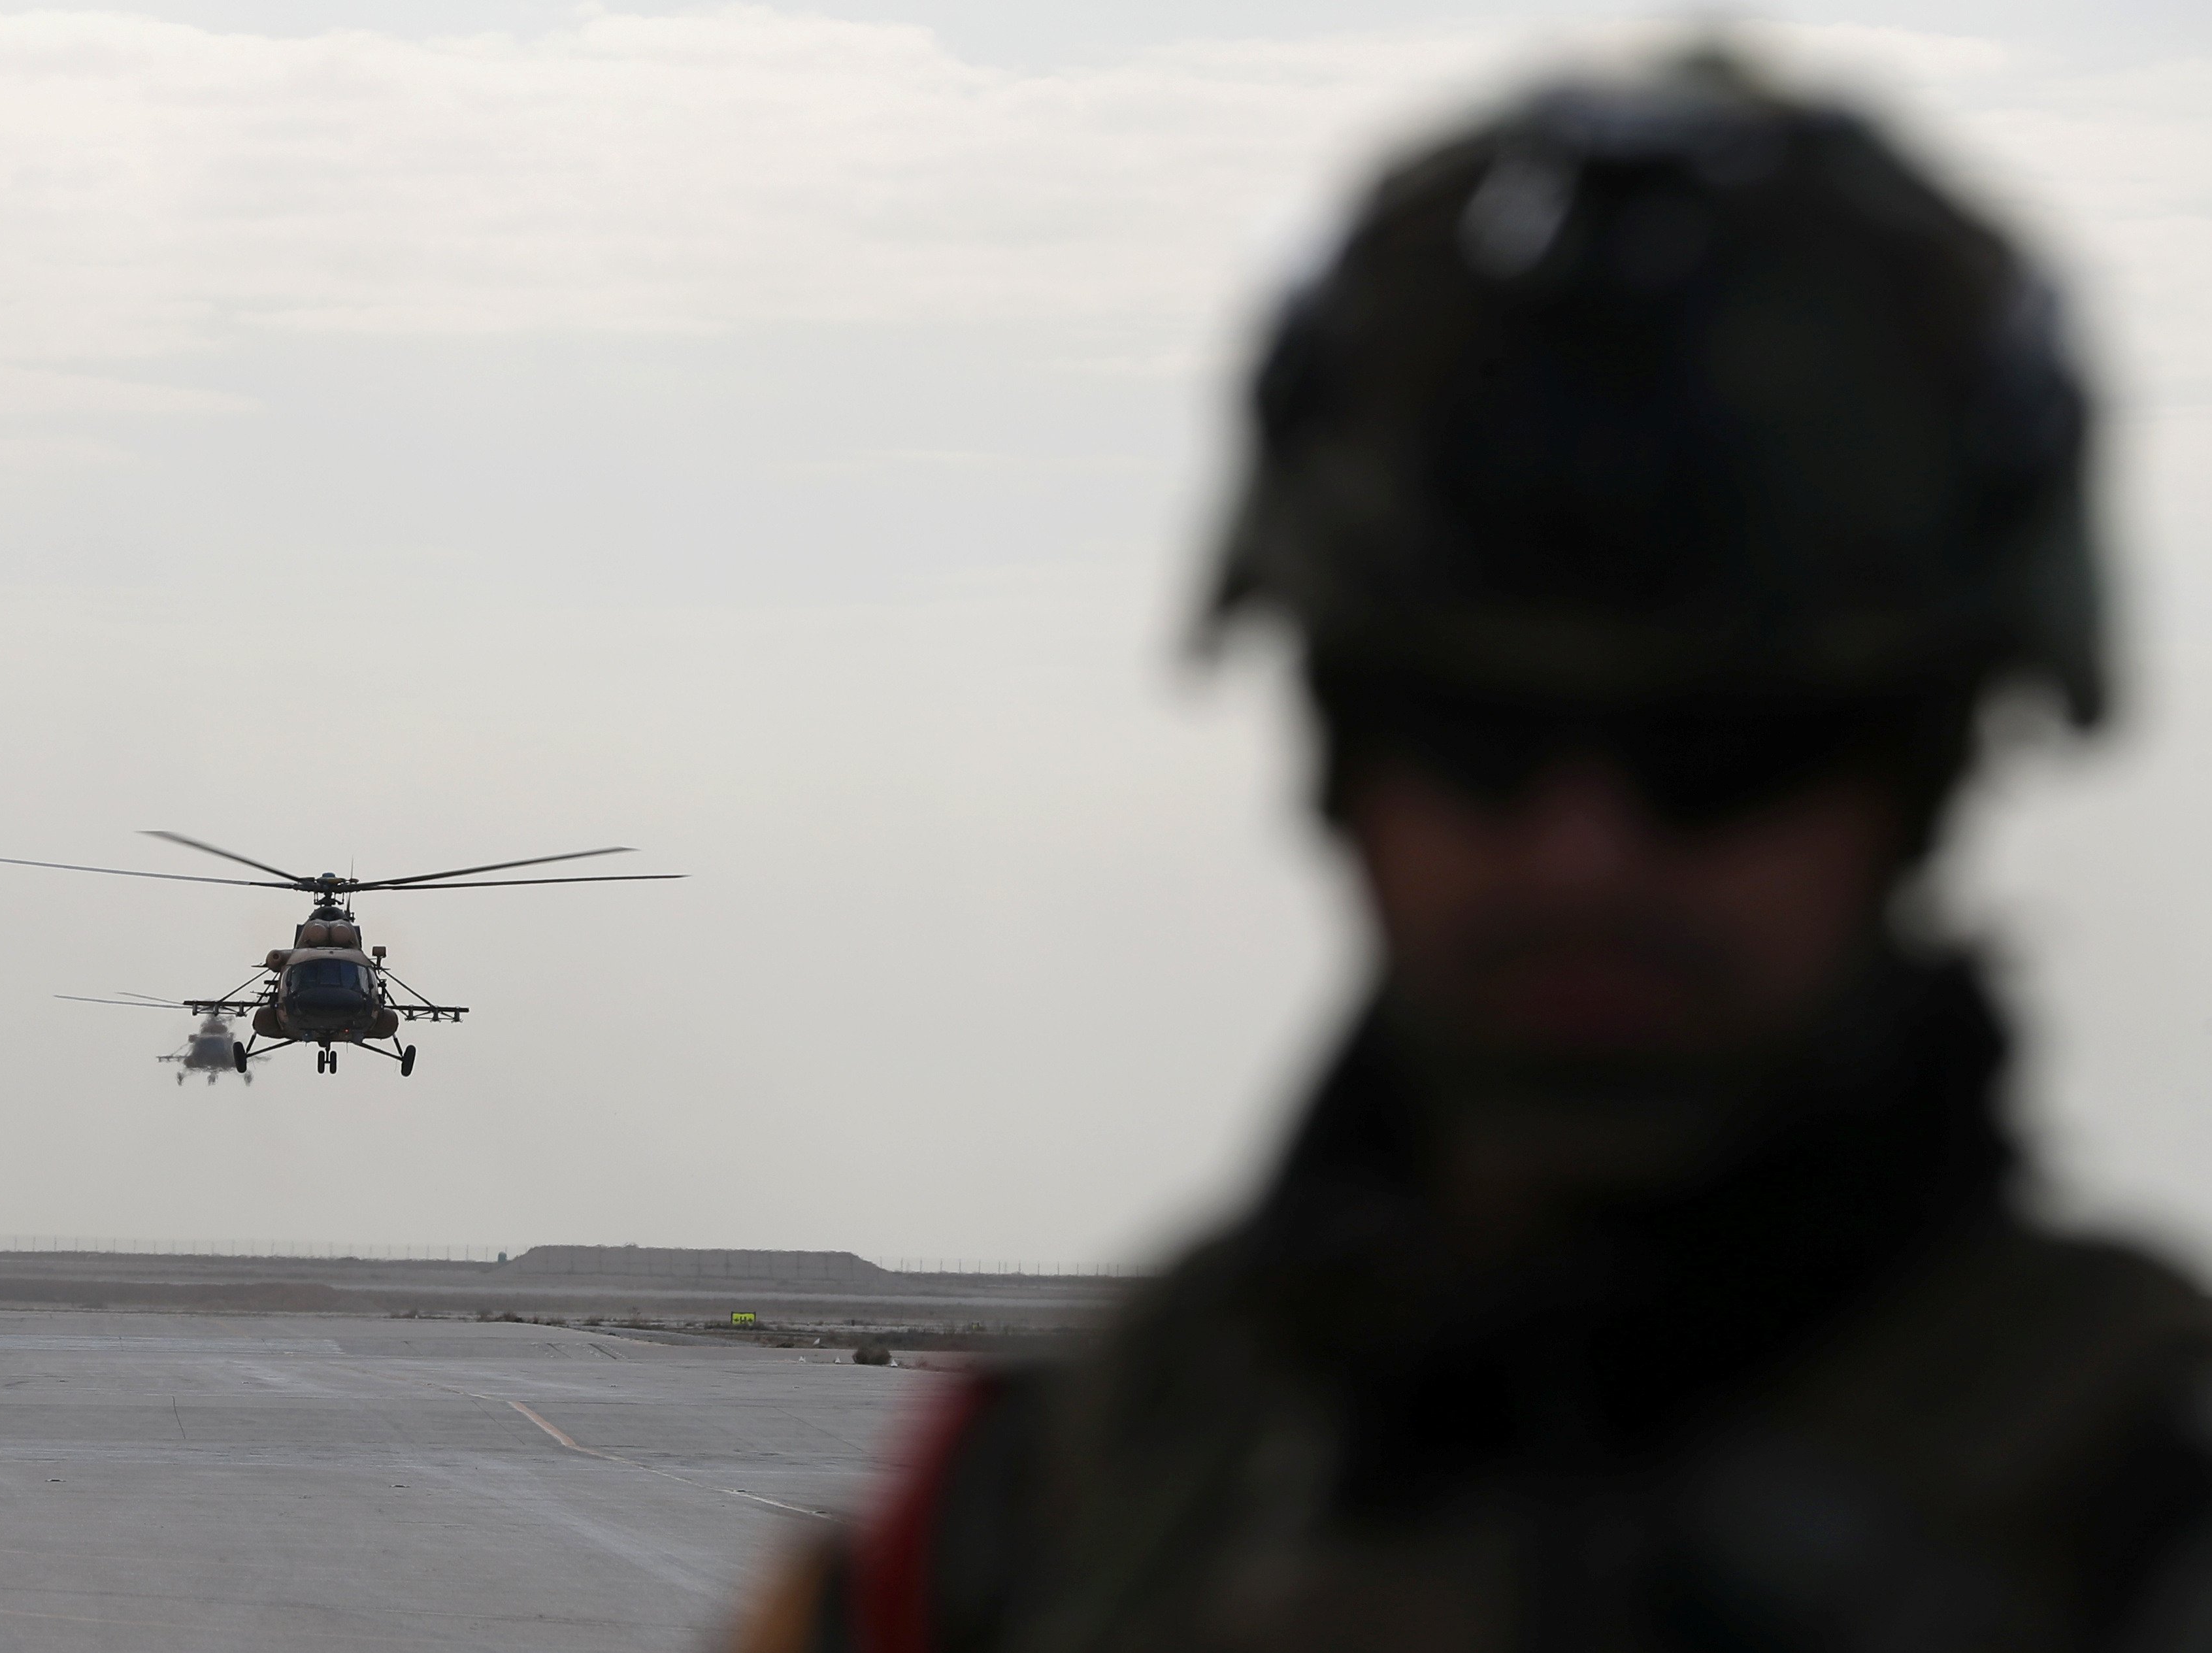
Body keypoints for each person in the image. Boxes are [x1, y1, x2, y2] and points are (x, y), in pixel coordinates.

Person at [733, 48, 2212, 1653]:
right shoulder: (1032, 1520)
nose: (1582, 856)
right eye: (1475, 734)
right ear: (1335, 753)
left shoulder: (2143, 1520)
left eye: (1717, 754)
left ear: (1926, 774)